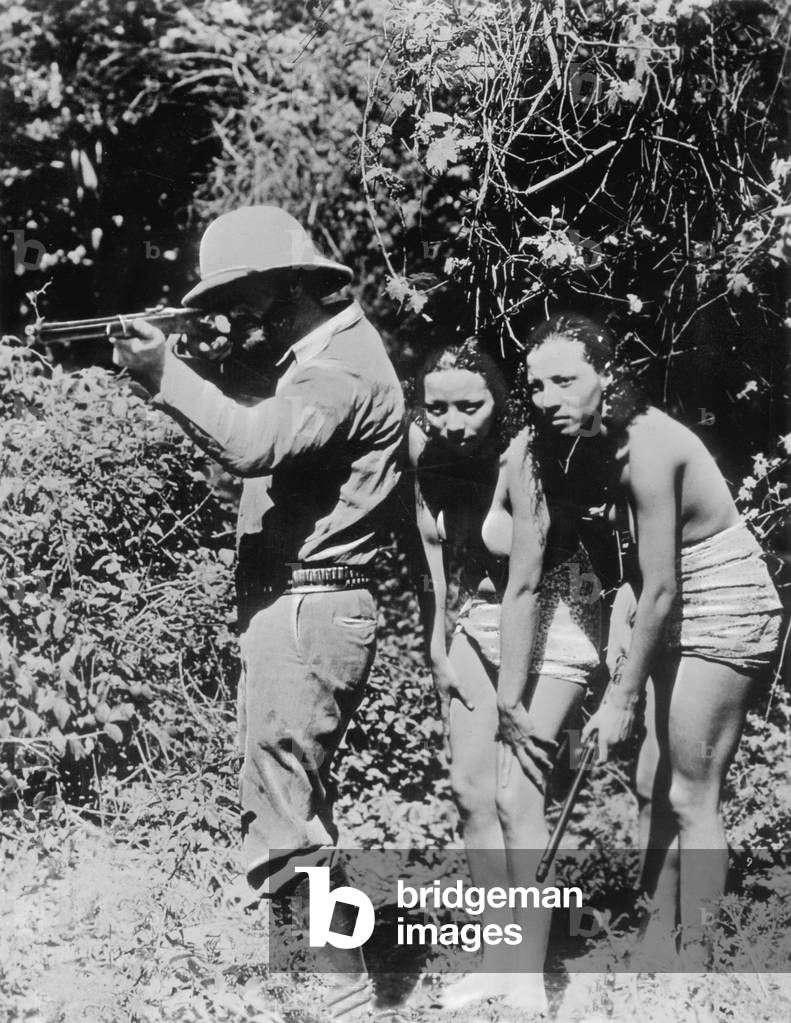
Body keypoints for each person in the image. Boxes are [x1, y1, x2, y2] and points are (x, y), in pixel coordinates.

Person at [111, 204, 405, 1018]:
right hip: (300, 604)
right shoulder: (320, 354)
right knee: (295, 803)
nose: (236, 315)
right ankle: (341, 979)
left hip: (309, 606)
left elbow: (250, 443)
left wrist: (166, 373)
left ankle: (342, 1004)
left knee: (285, 816)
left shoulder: (336, 369)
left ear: (289, 290)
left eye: (243, 299)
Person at [513, 312, 783, 965]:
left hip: (723, 601)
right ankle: (654, 936)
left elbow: (663, 582)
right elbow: (644, 566)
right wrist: (622, 615)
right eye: (536, 385)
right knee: (647, 780)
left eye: (563, 379)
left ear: (605, 376)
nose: (547, 398)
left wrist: (619, 696)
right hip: (670, 598)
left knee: (691, 792)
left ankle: (693, 966)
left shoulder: (649, 445)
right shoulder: (597, 438)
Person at [409, 339, 601, 1014]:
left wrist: (511, 700)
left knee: (518, 796)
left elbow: (525, 584)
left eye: (470, 404)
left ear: (499, 400)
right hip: (486, 616)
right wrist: (436, 644)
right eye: (439, 407)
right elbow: (432, 553)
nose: (453, 421)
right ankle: (496, 956)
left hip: (558, 615)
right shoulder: (423, 451)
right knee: (468, 786)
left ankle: (527, 974)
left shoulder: (523, 456)